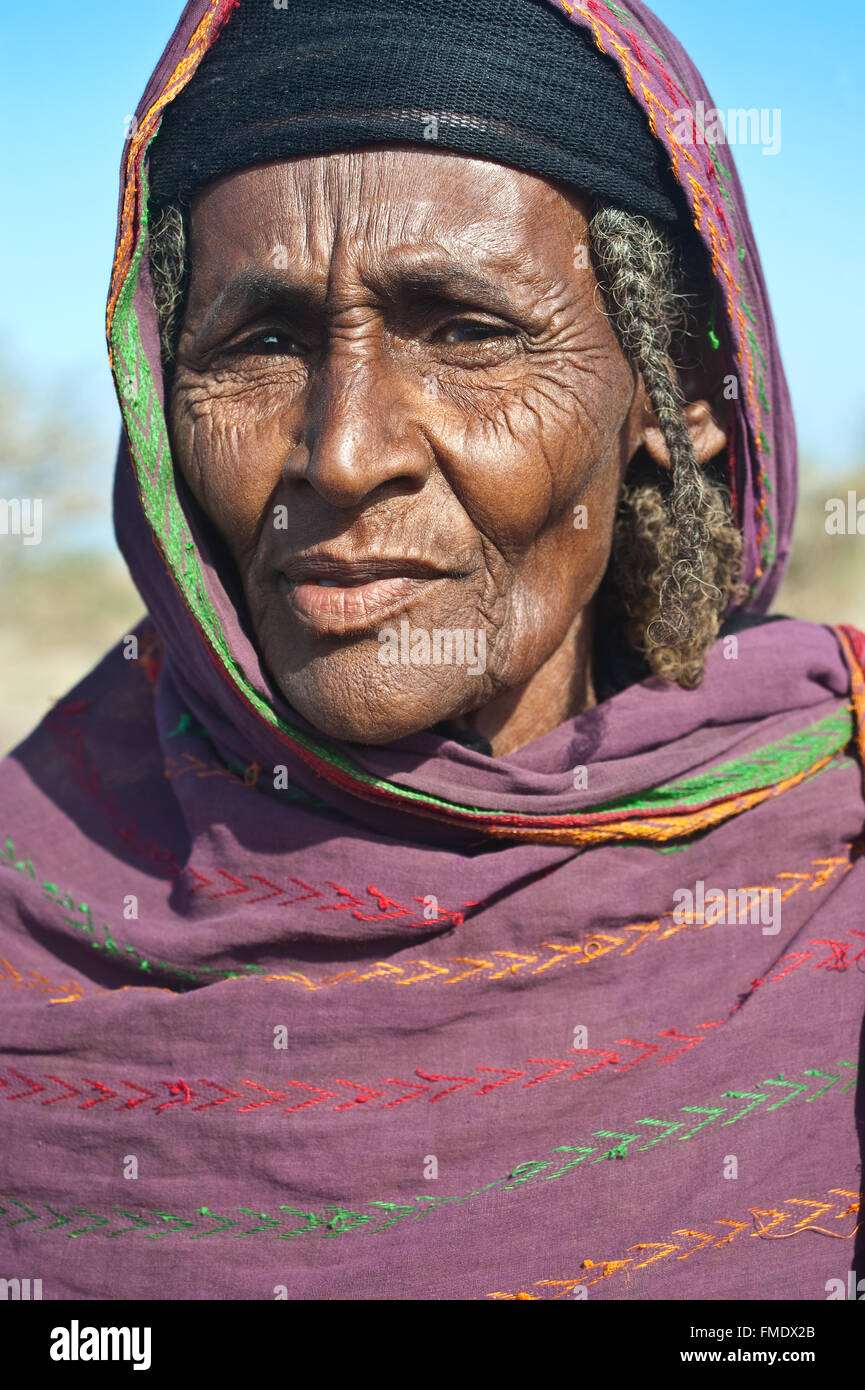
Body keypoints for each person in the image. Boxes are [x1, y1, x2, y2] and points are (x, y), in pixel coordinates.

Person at [1, 0, 862, 1301]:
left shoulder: (826, 863)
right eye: (261, 343)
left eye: (465, 333)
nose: (342, 456)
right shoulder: (43, 893)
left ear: (674, 390)